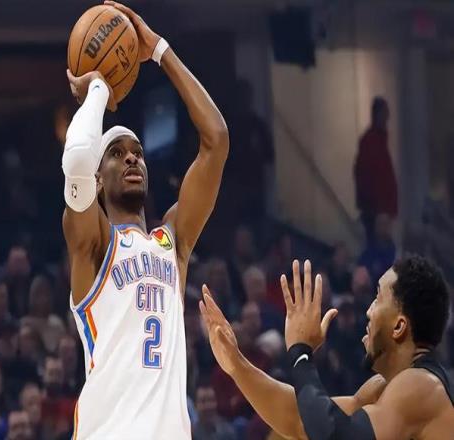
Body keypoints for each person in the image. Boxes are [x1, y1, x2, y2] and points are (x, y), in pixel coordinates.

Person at [62, 1, 229, 438]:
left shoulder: (173, 241)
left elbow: (216, 139)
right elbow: (77, 159)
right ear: (98, 180)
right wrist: (99, 90)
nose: (132, 158)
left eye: (137, 152)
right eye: (117, 154)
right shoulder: (94, 242)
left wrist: (158, 50)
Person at [200, 256, 454, 439]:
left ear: (399, 326)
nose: (368, 311)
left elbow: (334, 435)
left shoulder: (421, 386)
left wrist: (300, 353)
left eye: (378, 298)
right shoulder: (383, 388)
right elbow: (300, 420)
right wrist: (237, 365)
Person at [354, 97, 398, 243]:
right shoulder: (370, 142)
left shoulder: (379, 141)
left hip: (380, 209)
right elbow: (366, 176)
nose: (387, 119)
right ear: (377, 115)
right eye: (384, 114)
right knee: (378, 245)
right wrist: (375, 207)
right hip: (376, 209)